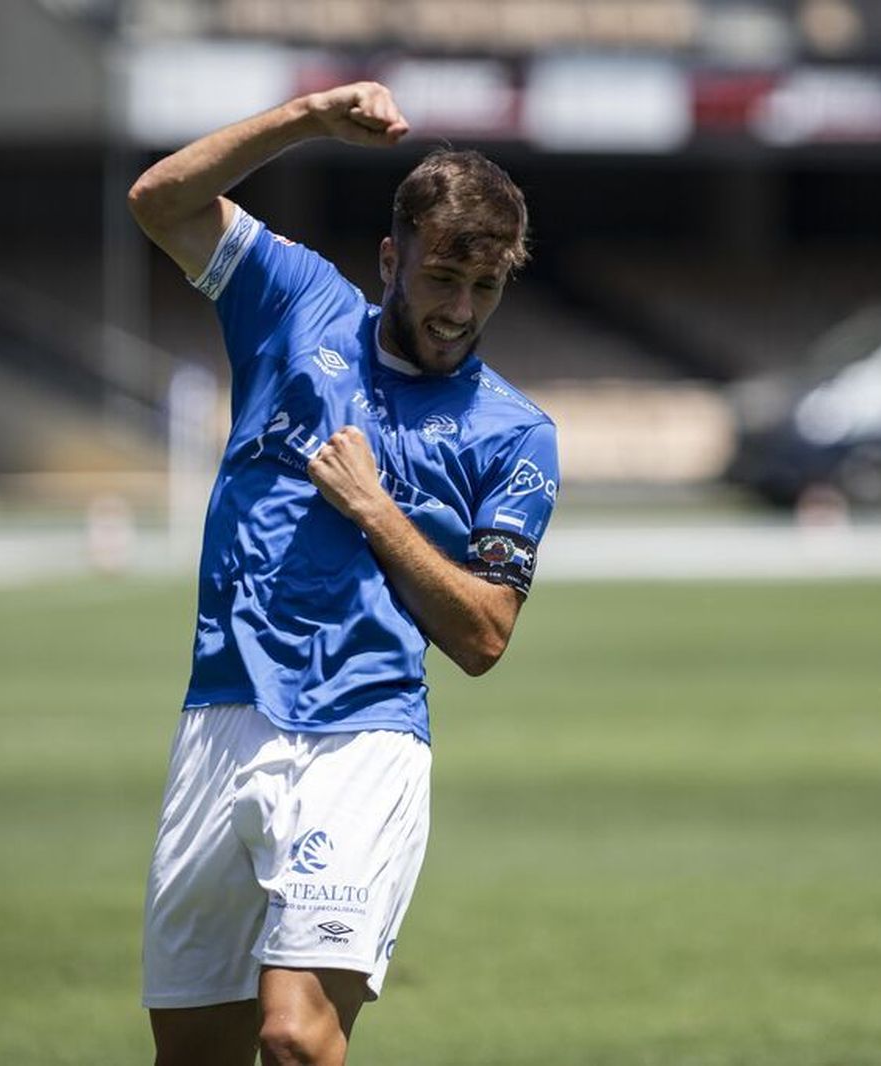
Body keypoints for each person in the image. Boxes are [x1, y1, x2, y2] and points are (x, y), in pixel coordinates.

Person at [127, 82, 559, 1066]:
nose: (457, 310)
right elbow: (159, 202)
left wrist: (376, 511)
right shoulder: (293, 302)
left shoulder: (516, 434)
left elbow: (485, 634)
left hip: (362, 735)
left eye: (483, 289)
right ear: (389, 258)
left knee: (293, 1038)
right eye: (441, 277)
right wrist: (306, 119)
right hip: (220, 715)